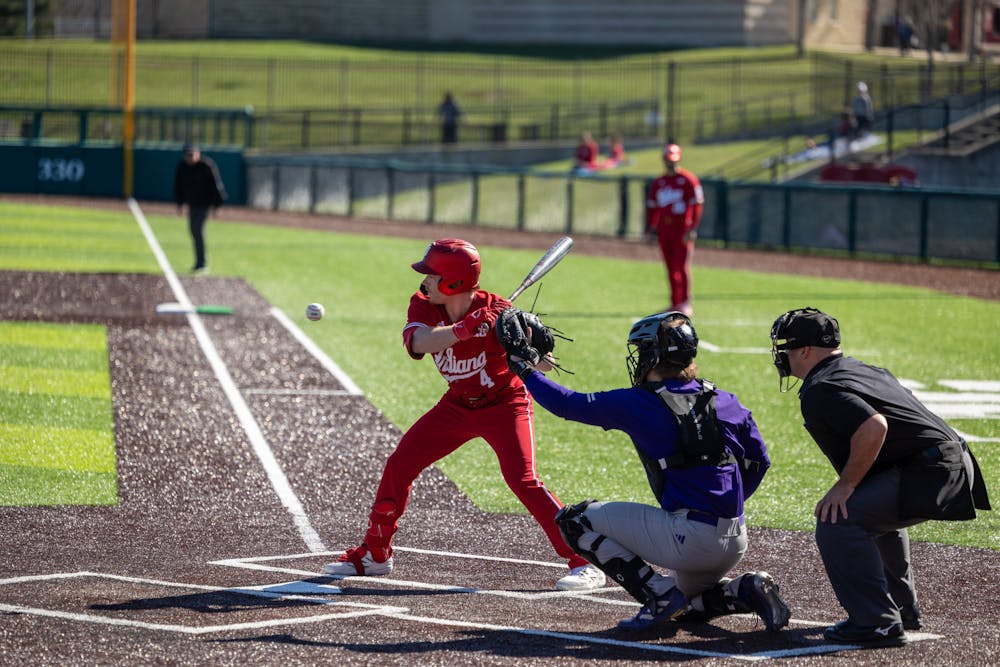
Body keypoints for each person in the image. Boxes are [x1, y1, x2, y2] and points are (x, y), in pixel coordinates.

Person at [324, 239, 606, 592]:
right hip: (457, 405)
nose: (424, 281)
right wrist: (465, 328)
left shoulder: (499, 314)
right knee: (400, 464)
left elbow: (544, 365)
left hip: (505, 405)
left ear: (454, 283)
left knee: (523, 480)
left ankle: (585, 561)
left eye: (431, 274)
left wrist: (524, 341)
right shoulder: (425, 306)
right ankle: (375, 554)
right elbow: (419, 342)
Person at [509, 310, 790, 632]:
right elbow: (760, 461)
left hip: (688, 540)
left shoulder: (642, 403)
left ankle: (658, 595)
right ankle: (745, 588)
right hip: (734, 538)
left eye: (643, 351)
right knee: (689, 609)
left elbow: (567, 404)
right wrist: (727, 506)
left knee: (574, 520)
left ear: (654, 356)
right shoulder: (724, 400)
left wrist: (522, 369)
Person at [769, 307, 991, 646]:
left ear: (804, 351)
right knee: (868, 511)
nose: (781, 355)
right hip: (950, 461)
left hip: (931, 470)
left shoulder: (820, 387)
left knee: (837, 520)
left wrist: (845, 486)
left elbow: (875, 427)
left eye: (785, 347)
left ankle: (877, 623)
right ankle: (901, 609)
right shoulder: (861, 369)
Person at [644, 143, 703, 317]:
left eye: (673, 161)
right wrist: (650, 228)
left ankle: (685, 302)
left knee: (682, 266)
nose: (671, 164)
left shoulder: (688, 180)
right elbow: (653, 207)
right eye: (668, 161)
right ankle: (674, 302)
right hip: (665, 229)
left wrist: (693, 228)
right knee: (670, 267)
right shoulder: (659, 182)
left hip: (681, 229)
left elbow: (697, 205)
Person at [173, 143, 226, 273]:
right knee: (193, 230)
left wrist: (217, 206)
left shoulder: (206, 166)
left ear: (198, 154)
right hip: (192, 203)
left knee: (198, 229)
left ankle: (202, 262)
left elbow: (216, 186)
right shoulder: (182, 167)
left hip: (205, 204)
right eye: (187, 155)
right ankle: (198, 261)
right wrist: (180, 204)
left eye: (192, 155)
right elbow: (178, 186)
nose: (190, 158)